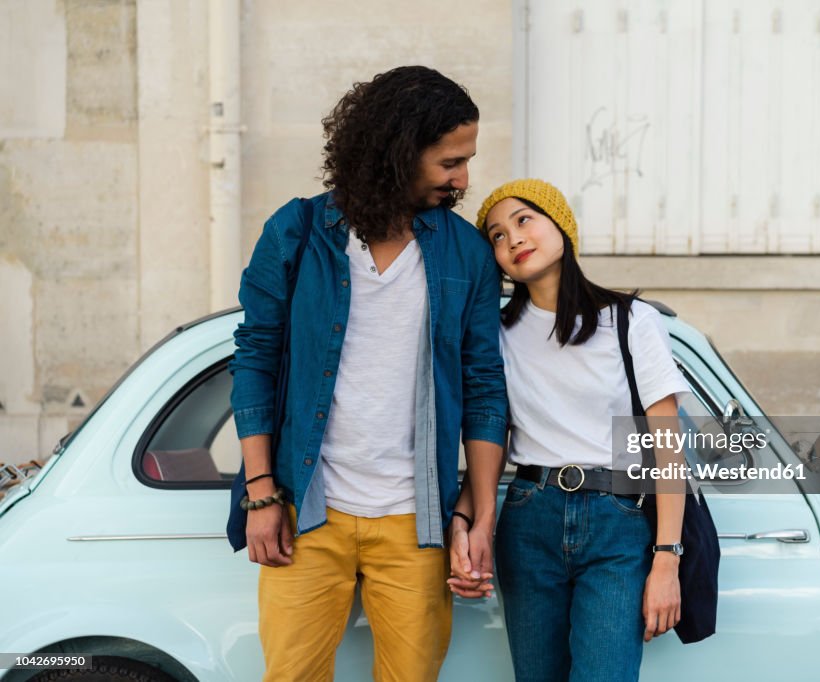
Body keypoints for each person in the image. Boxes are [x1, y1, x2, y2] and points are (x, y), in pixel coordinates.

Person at [228, 65, 507, 682]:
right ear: (401, 153)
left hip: (417, 520)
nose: (464, 179)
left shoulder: (465, 253)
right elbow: (255, 360)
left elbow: (486, 389)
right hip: (307, 511)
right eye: (450, 162)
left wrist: (479, 516)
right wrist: (262, 493)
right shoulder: (297, 233)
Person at [450, 179, 688, 681]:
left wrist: (667, 560)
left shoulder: (630, 321)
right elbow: (489, 436)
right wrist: (467, 519)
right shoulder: (496, 333)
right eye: (495, 235)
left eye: (523, 220)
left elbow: (667, 450)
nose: (512, 239)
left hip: (617, 519)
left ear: (561, 225)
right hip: (528, 514)